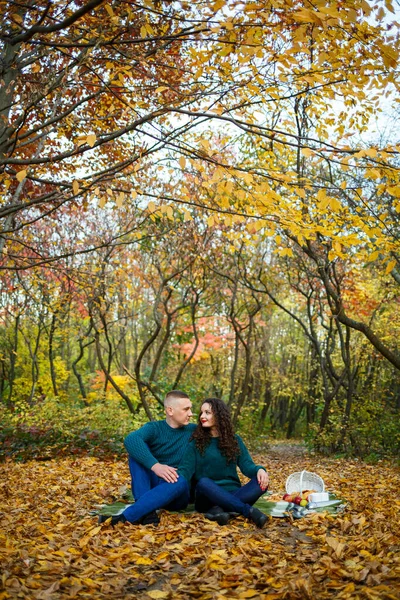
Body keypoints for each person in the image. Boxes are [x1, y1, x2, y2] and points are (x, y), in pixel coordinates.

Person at [99, 390, 194, 526]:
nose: (190, 413)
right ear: (170, 411)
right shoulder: (154, 428)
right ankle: (147, 514)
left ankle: (125, 517)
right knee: (136, 455)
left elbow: (219, 431)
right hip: (153, 484)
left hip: (176, 491)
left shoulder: (194, 431)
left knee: (181, 479)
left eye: (190, 409)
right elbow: (131, 439)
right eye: (186, 409)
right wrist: (156, 466)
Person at [178, 397, 269, 528]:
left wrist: (260, 470)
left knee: (262, 483)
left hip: (233, 492)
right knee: (203, 482)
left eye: (207, 413)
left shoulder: (234, 440)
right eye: (201, 413)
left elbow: (247, 466)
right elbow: (185, 471)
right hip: (207, 496)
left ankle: (219, 511)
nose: (202, 416)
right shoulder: (195, 443)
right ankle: (247, 511)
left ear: (219, 415)